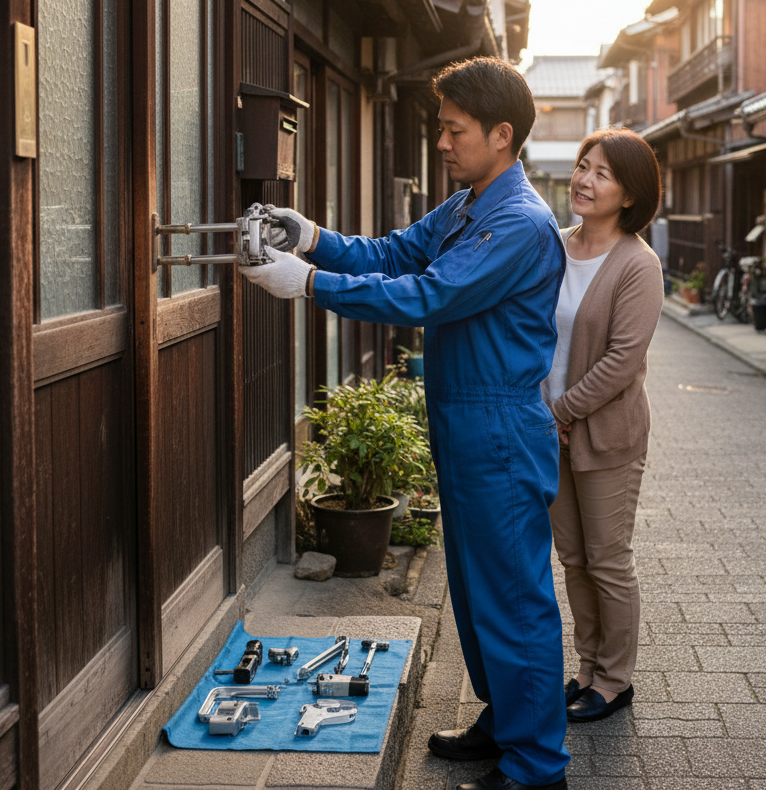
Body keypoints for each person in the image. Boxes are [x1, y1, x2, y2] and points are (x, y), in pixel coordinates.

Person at [240, 57, 571, 790]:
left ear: (502, 134)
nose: (444, 143)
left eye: (455, 130)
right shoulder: (467, 205)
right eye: (442, 128)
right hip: (468, 424)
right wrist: (315, 237)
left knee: (513, 596)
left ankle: (539, 766)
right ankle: (504, 722)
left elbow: (425, 293)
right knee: (481, 588)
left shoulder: (517, 222)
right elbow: (394, 252)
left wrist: (311, 285)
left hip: (500, 429)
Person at [540, 127, 663, 724]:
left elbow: (622, 360)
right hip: (550, 429)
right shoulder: (554, 245)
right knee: (573, 558)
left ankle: (615, 681)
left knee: (608, 559)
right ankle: (587, 668)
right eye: (583, 166)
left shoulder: (639, 265)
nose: (584, 180)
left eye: (602, 173)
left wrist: (560, 412)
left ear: (630, 194)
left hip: (604, 435)